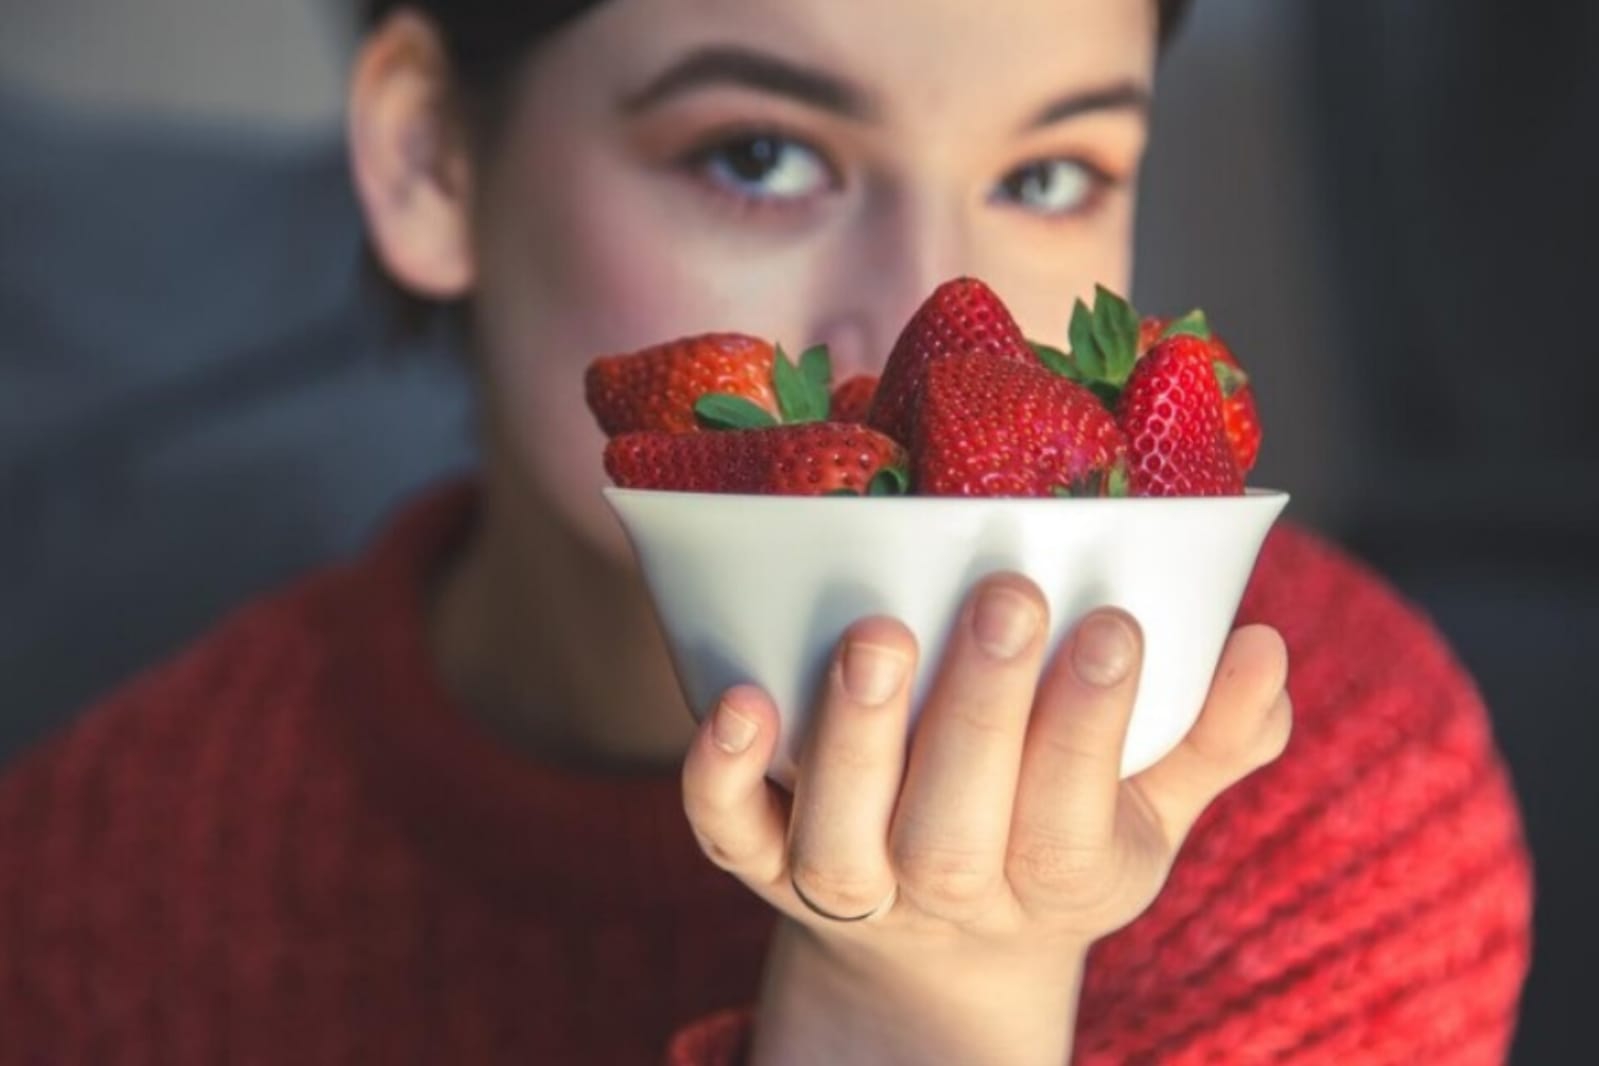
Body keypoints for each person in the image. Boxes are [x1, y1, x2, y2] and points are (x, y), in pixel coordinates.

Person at [0, 1, 1531, 1063]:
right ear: (429, 158)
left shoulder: (1332, 779)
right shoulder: (93, 882)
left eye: (1049, 173)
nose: (935, 320)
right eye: (760, 156)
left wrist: (937, 996)